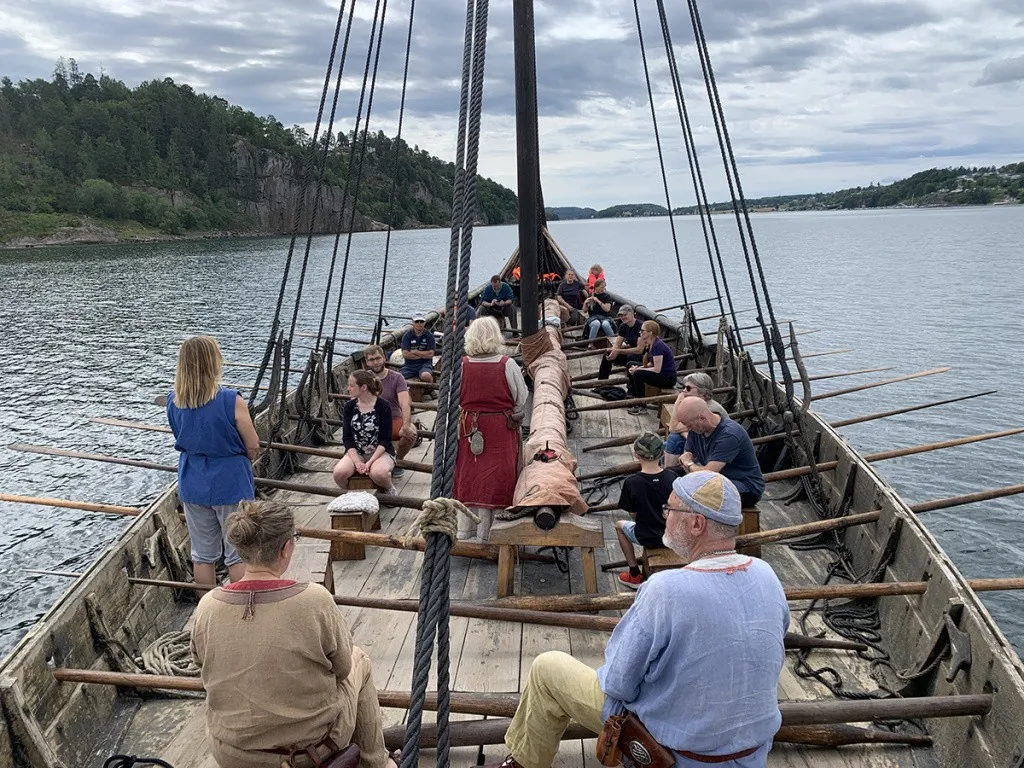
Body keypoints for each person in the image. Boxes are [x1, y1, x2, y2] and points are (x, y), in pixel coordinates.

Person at [486, 472, 789, 768]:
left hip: (673, 755)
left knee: (547, 668)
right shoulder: (767, 575)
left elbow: (618, 682)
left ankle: (525, 763)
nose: (665, 515)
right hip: (749, 753)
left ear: (697, 523)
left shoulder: (666, 589)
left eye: (670, 508)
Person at [190, 500, 396, 768]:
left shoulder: (208, 605)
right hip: (307, 753)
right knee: (360, 661)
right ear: (286, 548)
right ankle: (378, 763)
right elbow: (343, 668)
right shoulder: (314, 600)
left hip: (233, 754)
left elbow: (200, 664)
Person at [166, 335, 259, 586]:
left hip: (192, 479)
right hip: (230, 479)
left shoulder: (173, 401)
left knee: (202, 555)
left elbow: (180, 435)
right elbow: (252, 444)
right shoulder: (231, 400)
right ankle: (240, 604)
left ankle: (205, 605)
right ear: (214, 362)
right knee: (237, 550)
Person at [454, 316, 529, 542]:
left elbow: (452, 397)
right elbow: (521, 398)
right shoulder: (507, 364)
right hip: (500, 428)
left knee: (470, 474)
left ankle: (467, 531)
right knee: (500, 475)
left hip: (469, 427)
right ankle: (495, 532)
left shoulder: (462, 365)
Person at [674, 397, 765, 506]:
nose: (688, 429)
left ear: (702, 418)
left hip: (744, 487)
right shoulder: (696, 428)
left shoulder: (729, 435)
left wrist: (689, 464)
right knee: (670, 476)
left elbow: (707, 474)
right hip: (717, 479)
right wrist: (688, 464)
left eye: (689, 425)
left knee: (695, 493)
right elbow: (687, 455)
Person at [614, 433, 676, 589]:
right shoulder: (672, 478)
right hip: (672, 536)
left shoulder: (631, 482)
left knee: (619, 526)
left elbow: (633, 513)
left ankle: (634, 573)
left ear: (636, 455)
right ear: (662, 453)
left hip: (645, 536)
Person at [331, 370, 396, 495]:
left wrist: (370, 462)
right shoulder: (349, 407)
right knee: (339, 473)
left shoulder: (383, 406)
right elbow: (347, 438)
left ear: (364, 387)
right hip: (357, 451)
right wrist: (357, 462)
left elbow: (385, 439)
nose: (348, 388)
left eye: (351, 385)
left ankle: (389, 488)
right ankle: (351, 494)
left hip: (380, 452)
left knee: (378, 473)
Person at [362, 344, 416, 472]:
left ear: (384, 358)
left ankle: (398, 459)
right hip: (371, 422)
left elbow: (405, 404)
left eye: (378, 358)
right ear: (366, 362)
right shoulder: (363, 379)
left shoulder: (397, 378)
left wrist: (406, 426)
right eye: (371, 360)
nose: (375, 362)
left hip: (394, 419)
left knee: (411, 433)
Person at [664, 372, 729, 468]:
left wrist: (678, 402)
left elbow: (673, 428)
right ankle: (668, 470)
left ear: (702, 392)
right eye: (684, 387)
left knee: (673, 439)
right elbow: (679, 428)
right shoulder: (696, 406)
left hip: (712, 447)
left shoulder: (708, 409)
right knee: (668, 442)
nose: (684, 391)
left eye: (688, 388)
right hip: (701, 439)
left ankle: (668, 471)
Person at [625, 321, 677, 413]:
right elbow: (650, 364)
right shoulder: (650, 344)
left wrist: (638, 369)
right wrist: (638, 367)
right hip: (660, 373)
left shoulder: (657, 345)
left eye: (642, 331)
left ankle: (641, 406)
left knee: (638, 374)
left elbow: (657, 369)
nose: (640, 332)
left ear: (650, 333)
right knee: (630, 364)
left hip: (667, 378)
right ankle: (633, 394)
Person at [597, 304, 644, 380]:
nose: (623, 317)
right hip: (632, 354)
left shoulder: (641, 327)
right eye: (621, 315)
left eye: (625, 315)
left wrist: (618, 351)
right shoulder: (623, 326)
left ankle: (631, 384)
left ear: (632, 313)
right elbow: (617, 345)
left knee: (630, 357)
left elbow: (639, 350)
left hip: (644, 356)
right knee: (607, 354)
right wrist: (613, 353)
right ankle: (602, 381)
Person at [399, 313, 436, 383]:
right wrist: (423, 355)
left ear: (424, 323)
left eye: (421, 321)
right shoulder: (407, 336)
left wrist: (415, 352)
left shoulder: (429, 336)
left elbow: (430, 354)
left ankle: (431, 386)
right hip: (409, 365)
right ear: (413, 322)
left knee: (426, 376)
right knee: (398, 378)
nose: (419, 323)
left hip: (425, 365)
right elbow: (405, 354)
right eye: (417, 321)